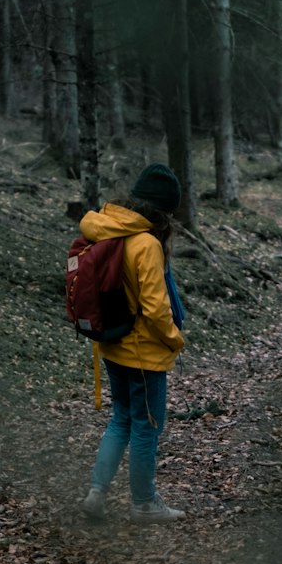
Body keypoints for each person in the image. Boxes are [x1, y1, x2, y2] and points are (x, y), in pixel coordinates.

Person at [79, 164, 186, 523]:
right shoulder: (146, 243)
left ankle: (97, 492)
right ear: (162, 211)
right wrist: (175, 340)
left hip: (111, 345)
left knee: (121, 419)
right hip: (144, 354)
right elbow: (156, 309)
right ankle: (143, 504)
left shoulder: (107, 229)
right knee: (146, 426)